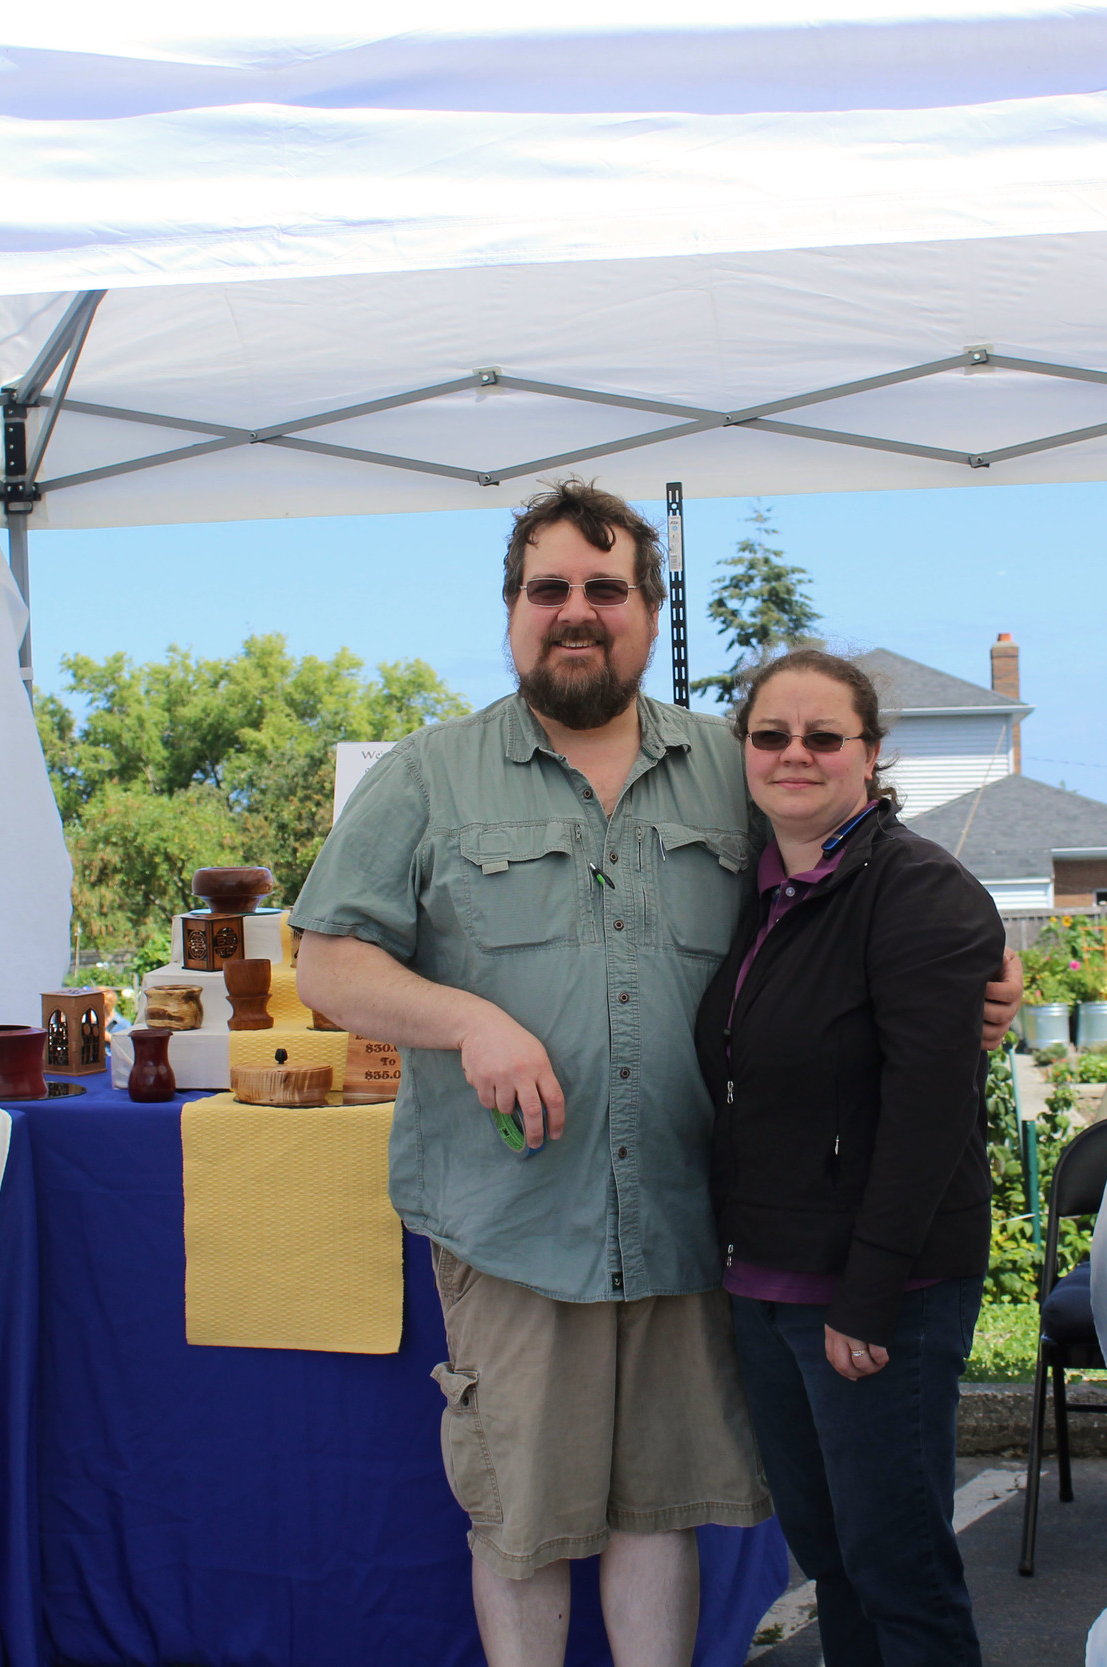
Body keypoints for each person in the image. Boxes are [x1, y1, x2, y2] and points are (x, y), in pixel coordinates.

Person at [292, 481, 1021, 1667]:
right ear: (513, 609)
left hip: (696, 1219)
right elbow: (327, 962)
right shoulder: (427, 775)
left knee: (660, 1511)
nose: (575, 612)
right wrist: (470, 1018)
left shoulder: (724, 767)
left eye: (605, 589)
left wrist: (977, 975)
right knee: (521, 1523)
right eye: (549, 590)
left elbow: (853, 876)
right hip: (515, 1218)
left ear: (645, 608)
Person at [695, 649, 1004, 1667]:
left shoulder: (921, 893)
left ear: (870, 754)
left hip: (880, 1289)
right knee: (831, 1558)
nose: (796, 754)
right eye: (771, 736)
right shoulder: (754, 888)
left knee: (898, 1566)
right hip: (765, 1278)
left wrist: (866, 1297)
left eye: (824, 736)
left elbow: (930, 1113)